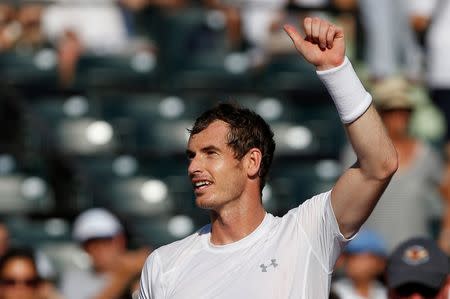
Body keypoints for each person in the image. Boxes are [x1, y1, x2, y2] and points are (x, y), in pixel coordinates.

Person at [138, 16, 398, 298]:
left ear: (252, 161)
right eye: (191, 156)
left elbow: (379, 166)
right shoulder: (163, 266)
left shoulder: (305, 235)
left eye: (210, 153)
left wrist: (336, 71)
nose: (193, 167)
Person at [341, 77, 448, 252]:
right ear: (381, 114)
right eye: (392, 111)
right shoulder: (357, 151)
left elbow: (446, 194)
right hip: (370, 254)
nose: (400, 118)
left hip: (415, 256)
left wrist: (444, 235)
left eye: (405, 111)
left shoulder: (428, 155)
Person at [60, 208, 149, 299]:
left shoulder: (144, 272)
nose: (99, 248)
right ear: (84, 248)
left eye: (106, 241)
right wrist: (124, 276)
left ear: (121, 241)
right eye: (91, 243)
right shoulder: (74, 278)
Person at [332, 229, 388, 299]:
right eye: (349, 256)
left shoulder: (386, 293)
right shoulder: (334, 293)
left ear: (380, 262)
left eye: (357, 255)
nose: (351, 262)